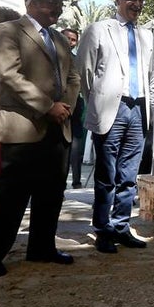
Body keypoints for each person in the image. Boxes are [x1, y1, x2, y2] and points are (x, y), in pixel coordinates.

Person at [0, 0, 80, 276]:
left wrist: (65, 108)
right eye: (51, 3)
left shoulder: (60, 39)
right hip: (22, 129)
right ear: (30, 2)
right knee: (12, 197)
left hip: (57, 129)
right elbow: (9, 75)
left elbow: (73, 78)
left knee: (51, 194)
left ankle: (42, 248)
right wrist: (47, 106)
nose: (57, 9)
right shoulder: (7, 31)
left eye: (59, 4)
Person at [76, 0, 154, 254]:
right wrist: (96, 100)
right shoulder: (98, 30)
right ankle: (102, 229)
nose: (137, 3)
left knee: (129, 174)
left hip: (137, 108)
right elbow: (83, 71)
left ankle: (121, 226)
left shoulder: (145, 35)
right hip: (112, 108)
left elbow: (148, 73)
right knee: (106, 174)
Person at [61, 27, 88, 189]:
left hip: (76, 107)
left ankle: (76, 181)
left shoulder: (77, 60)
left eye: (73, 39)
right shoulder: (52, 57)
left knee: (76, 149)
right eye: (67, 38)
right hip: (57, 107)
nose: (70, 42)